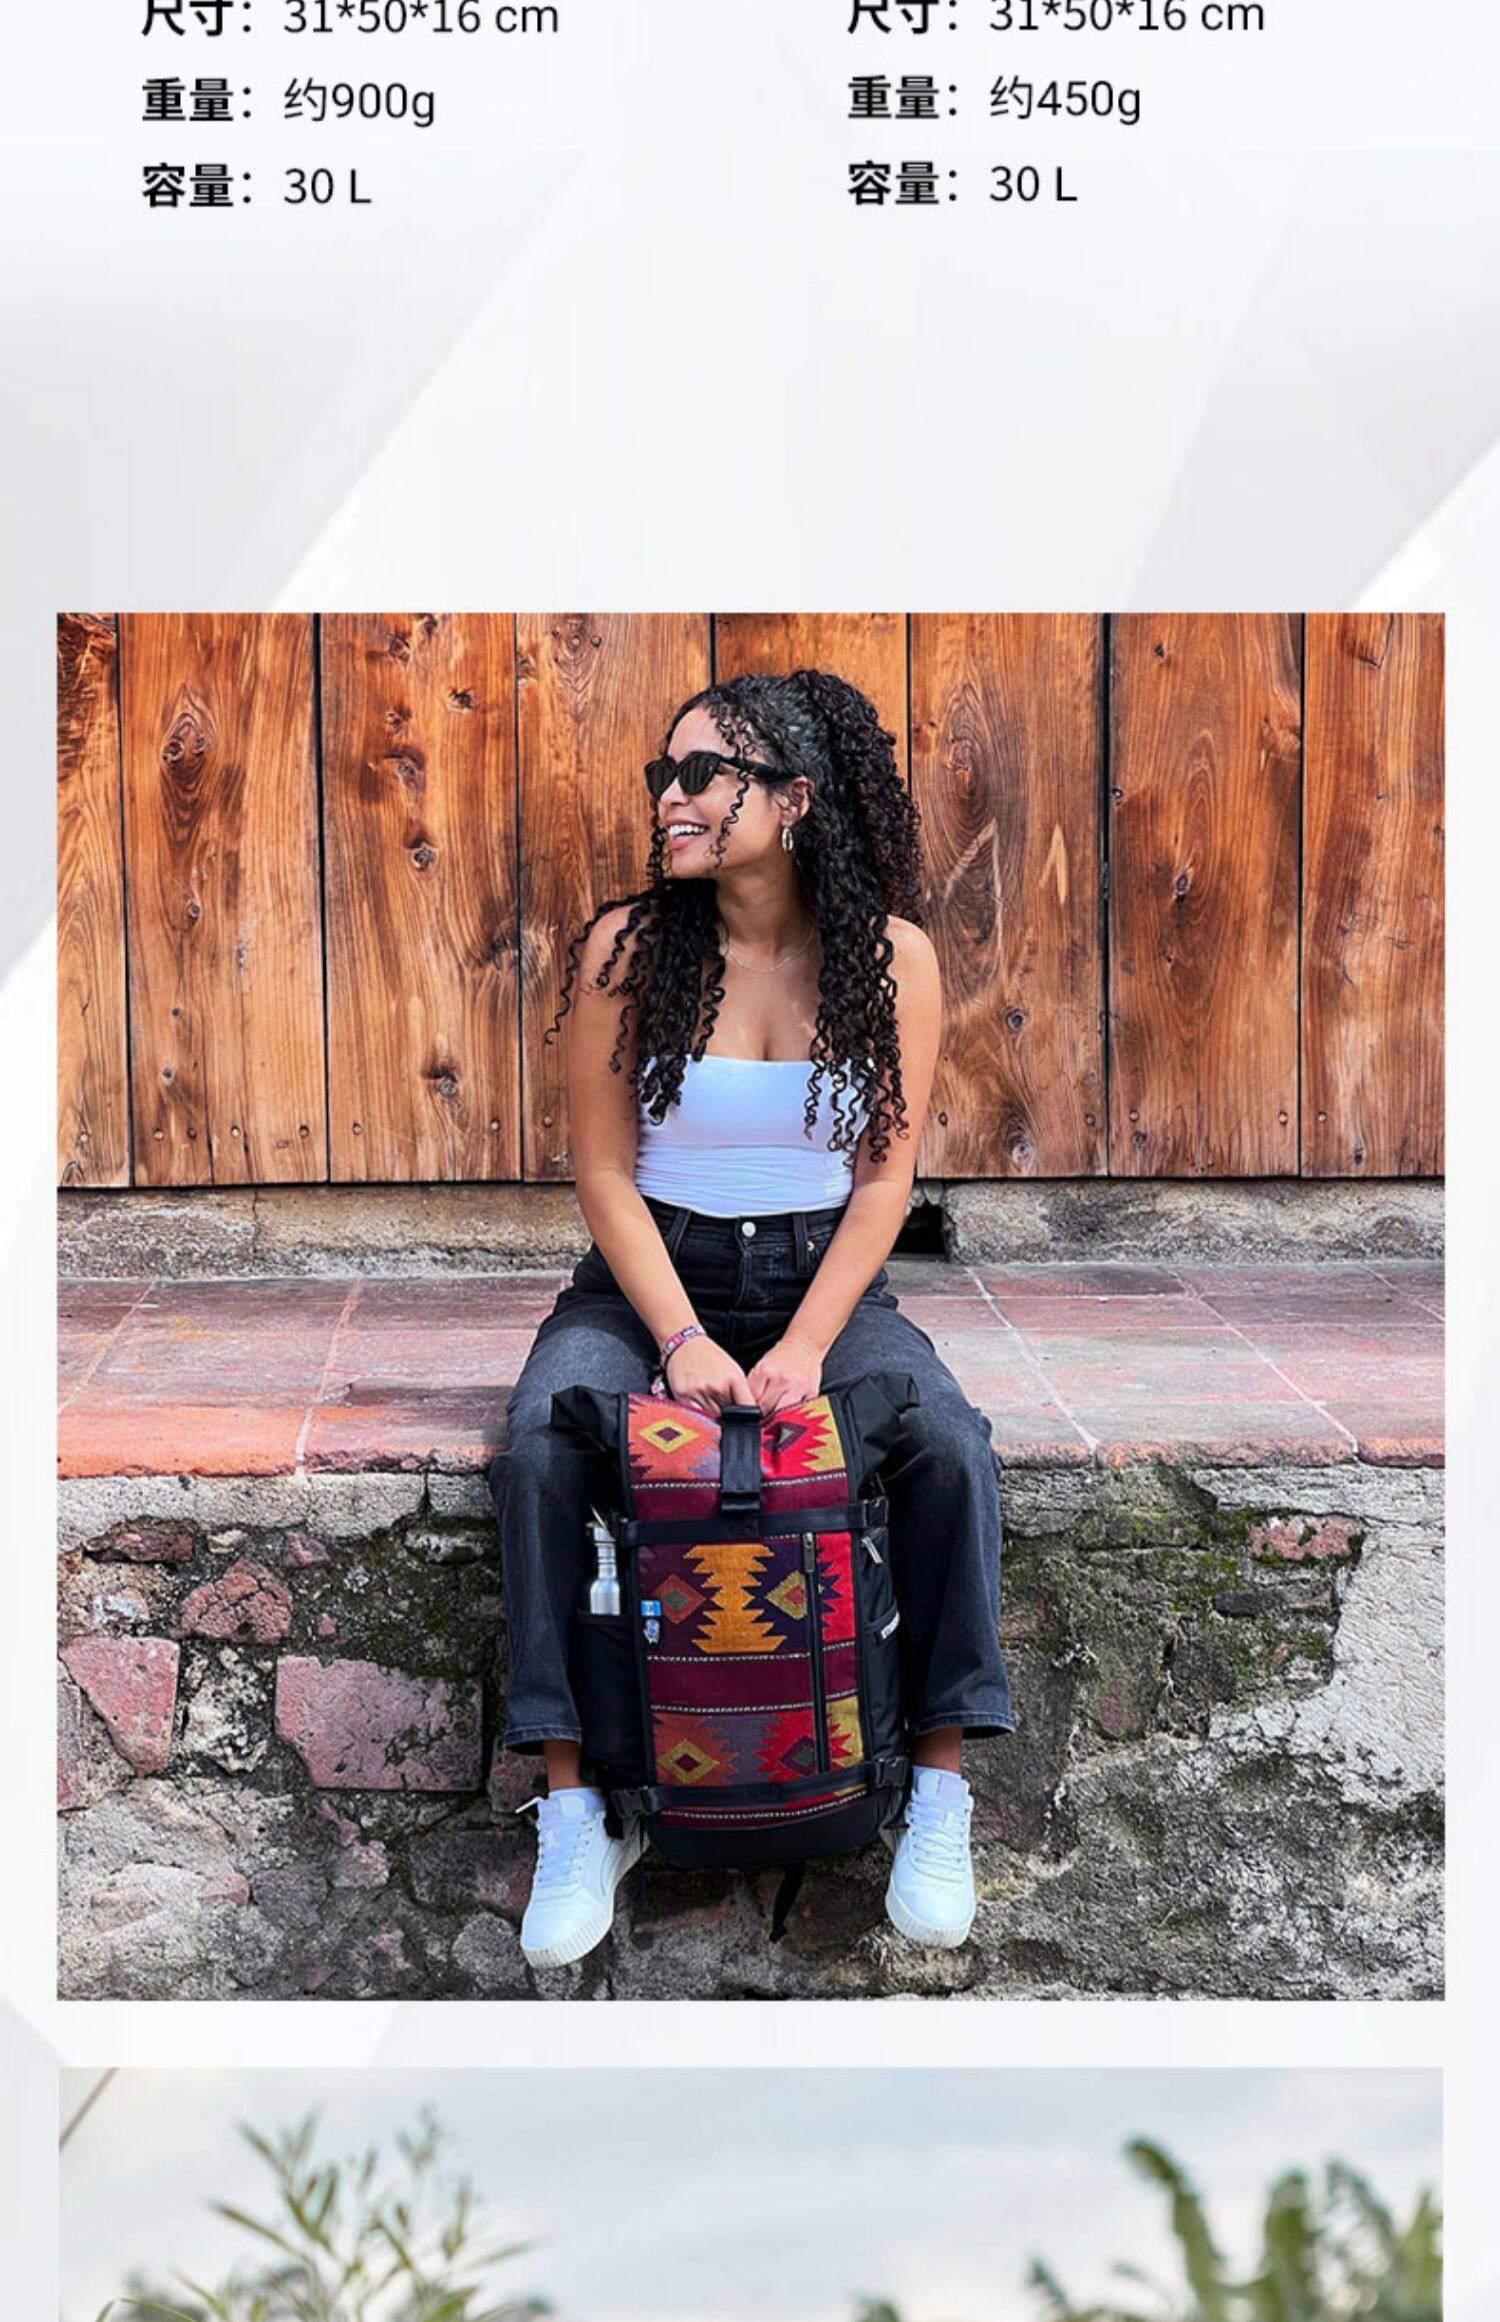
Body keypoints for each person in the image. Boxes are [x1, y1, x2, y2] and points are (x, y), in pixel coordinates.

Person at [491, 668, 1013, 1970]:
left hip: (823, 1280)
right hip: (649, 1283)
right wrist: (681, 1342)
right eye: (661, 776)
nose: (669, 800)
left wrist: (804, 1347)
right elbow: (603, 1175)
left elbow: (884, 1182)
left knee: (948, 1447)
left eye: (700, 776)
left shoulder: (893, 960)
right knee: (542, 1446)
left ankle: (937, 1790)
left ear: (794, 798)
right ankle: (575, 1807)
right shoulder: (626, 950)